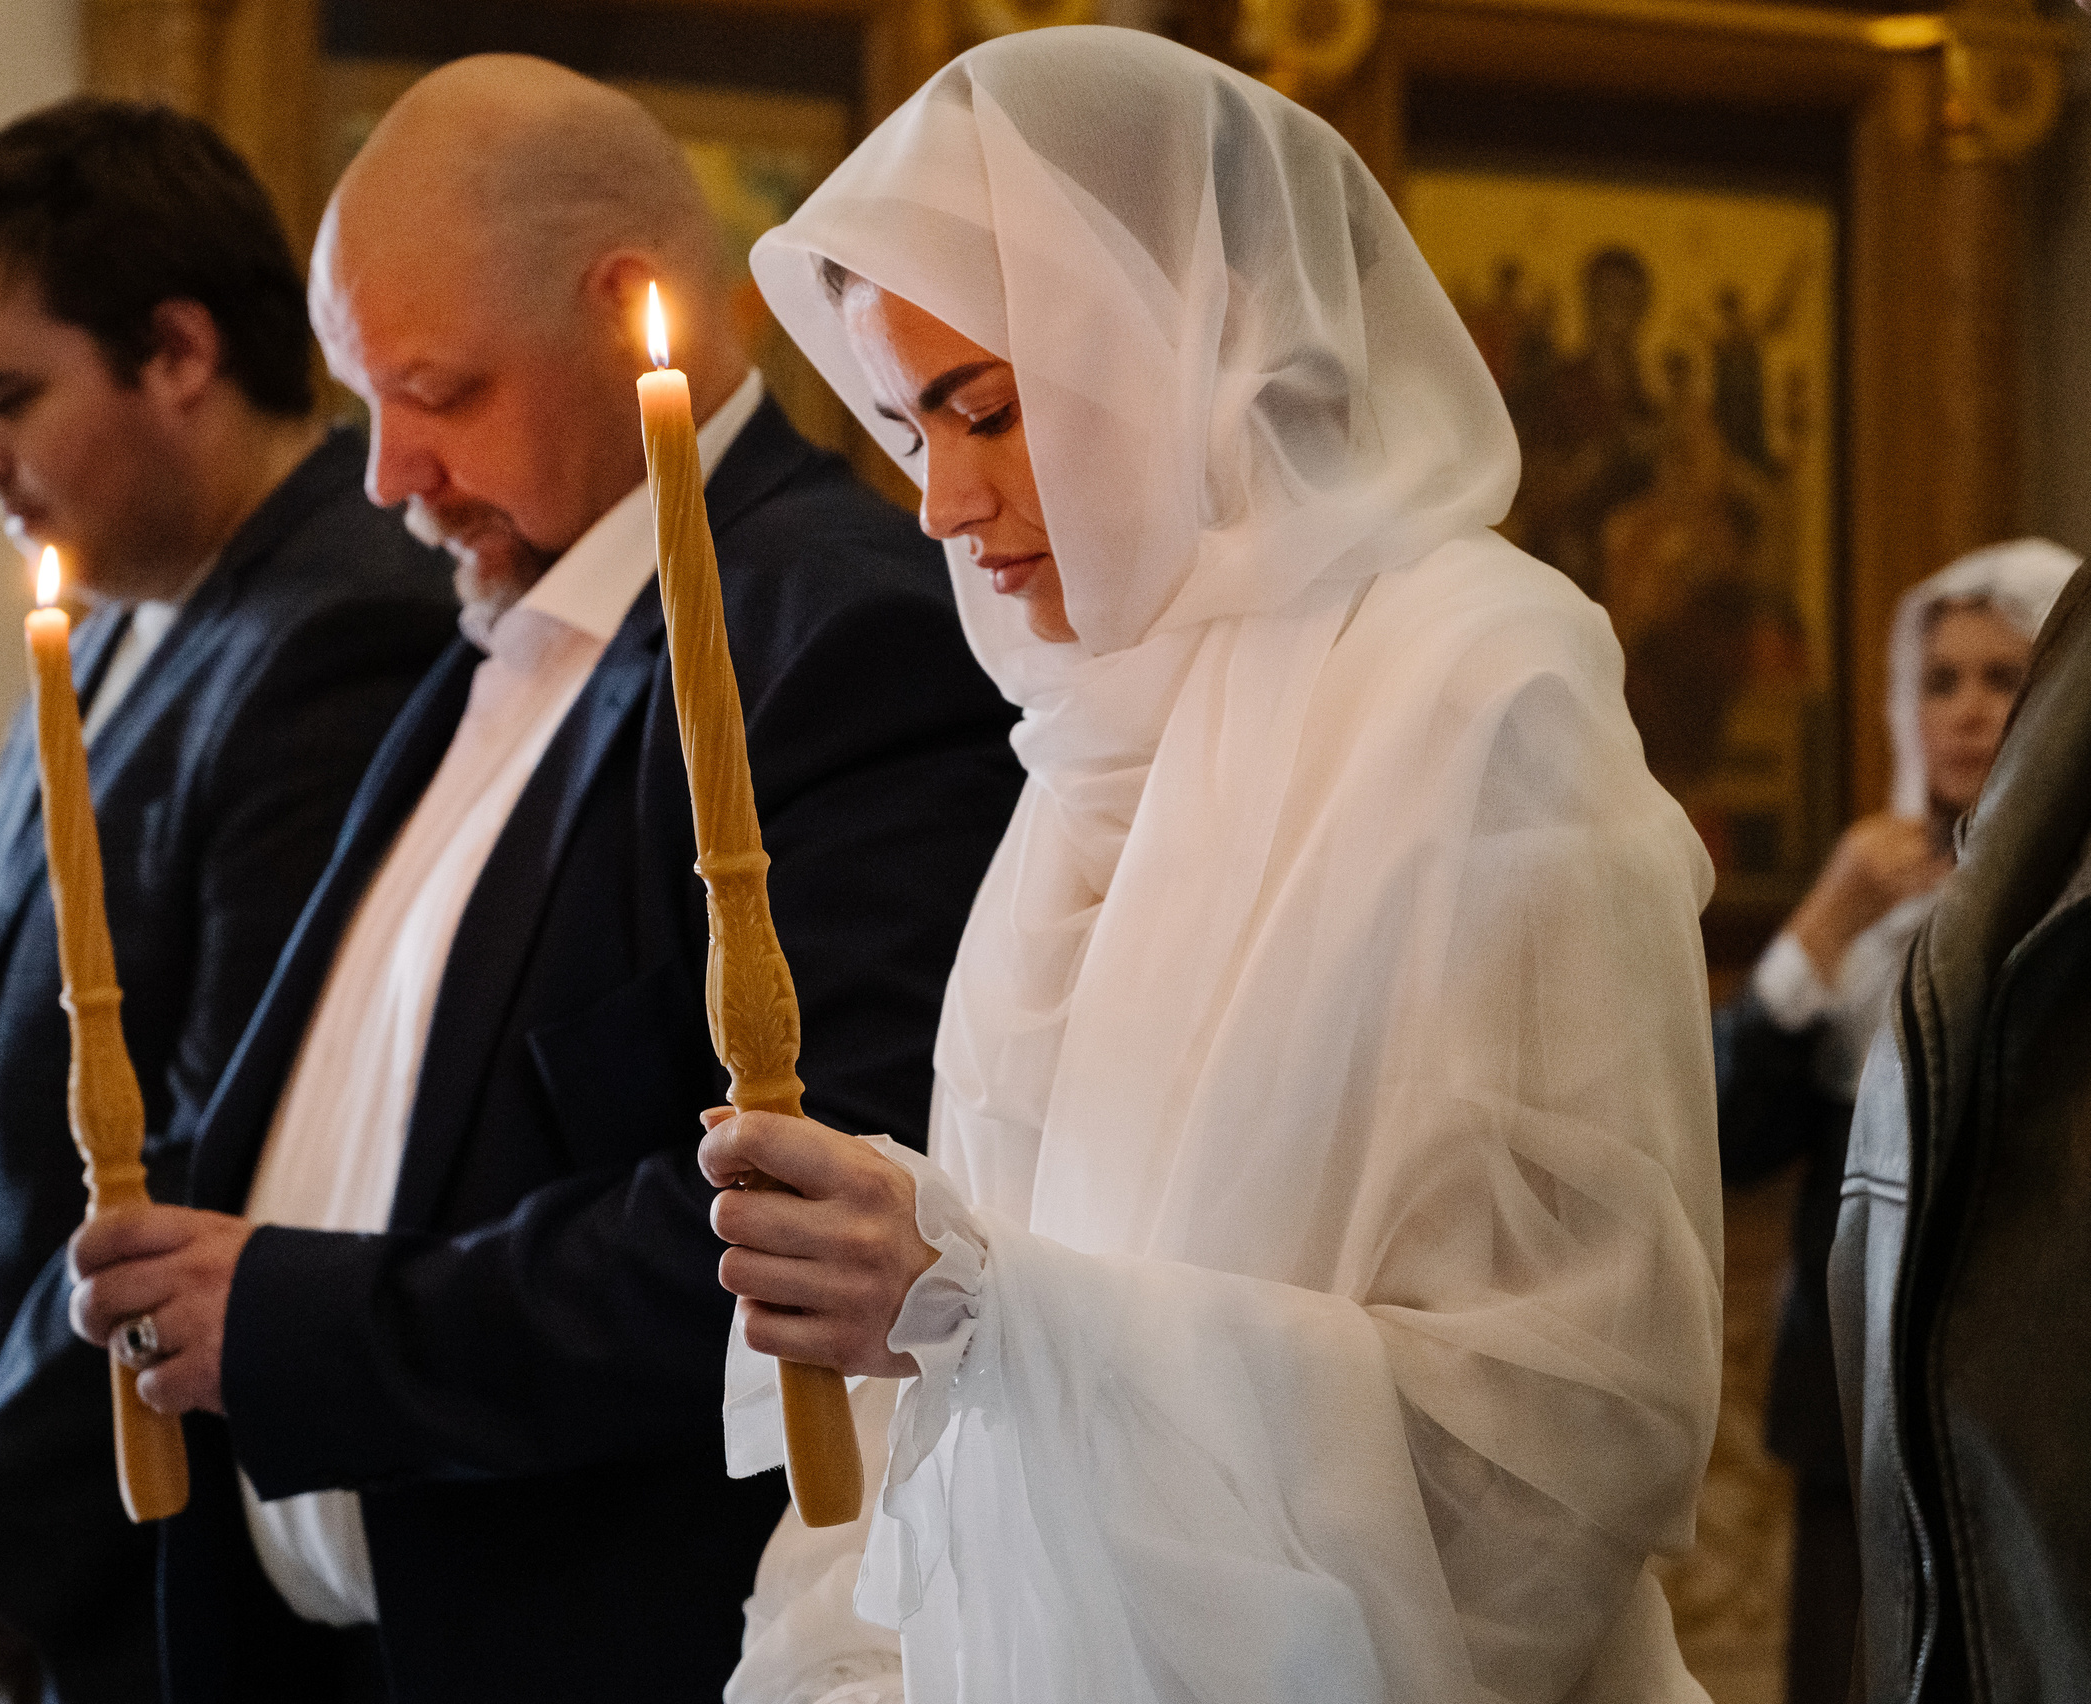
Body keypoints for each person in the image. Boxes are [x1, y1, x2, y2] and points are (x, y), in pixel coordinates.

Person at [700, 29, 1724, 1703]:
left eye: (989, 409)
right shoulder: (1095, 726)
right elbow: (972, 1324)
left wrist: (988, 1307)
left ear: (1169, 347)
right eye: (904, 429)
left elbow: (1567, 1428)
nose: (945, 504)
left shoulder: (1475, 682)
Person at [58, 55, 1023, 1704]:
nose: (385, 475)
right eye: (368, 406)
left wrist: (300, 1324)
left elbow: (815, 1214)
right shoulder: (492, 638)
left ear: (625, 303)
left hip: (600, 1638)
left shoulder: (837, 629)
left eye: (434, 391)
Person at [0, 98, 458, 1704]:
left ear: (179, 352)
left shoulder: (346, 632)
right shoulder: (110, 608)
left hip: (169, 1555)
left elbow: (217, 1140)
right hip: (27, 1494)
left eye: (5, 396)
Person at [1716, 540, 2071, 1704]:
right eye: (1939, 680)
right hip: (1856, 1406)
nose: (1967, 711)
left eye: (2004, 678)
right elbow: (1722, 1137)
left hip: (2047, 1409)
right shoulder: (1860, 903)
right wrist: (1821, 926)